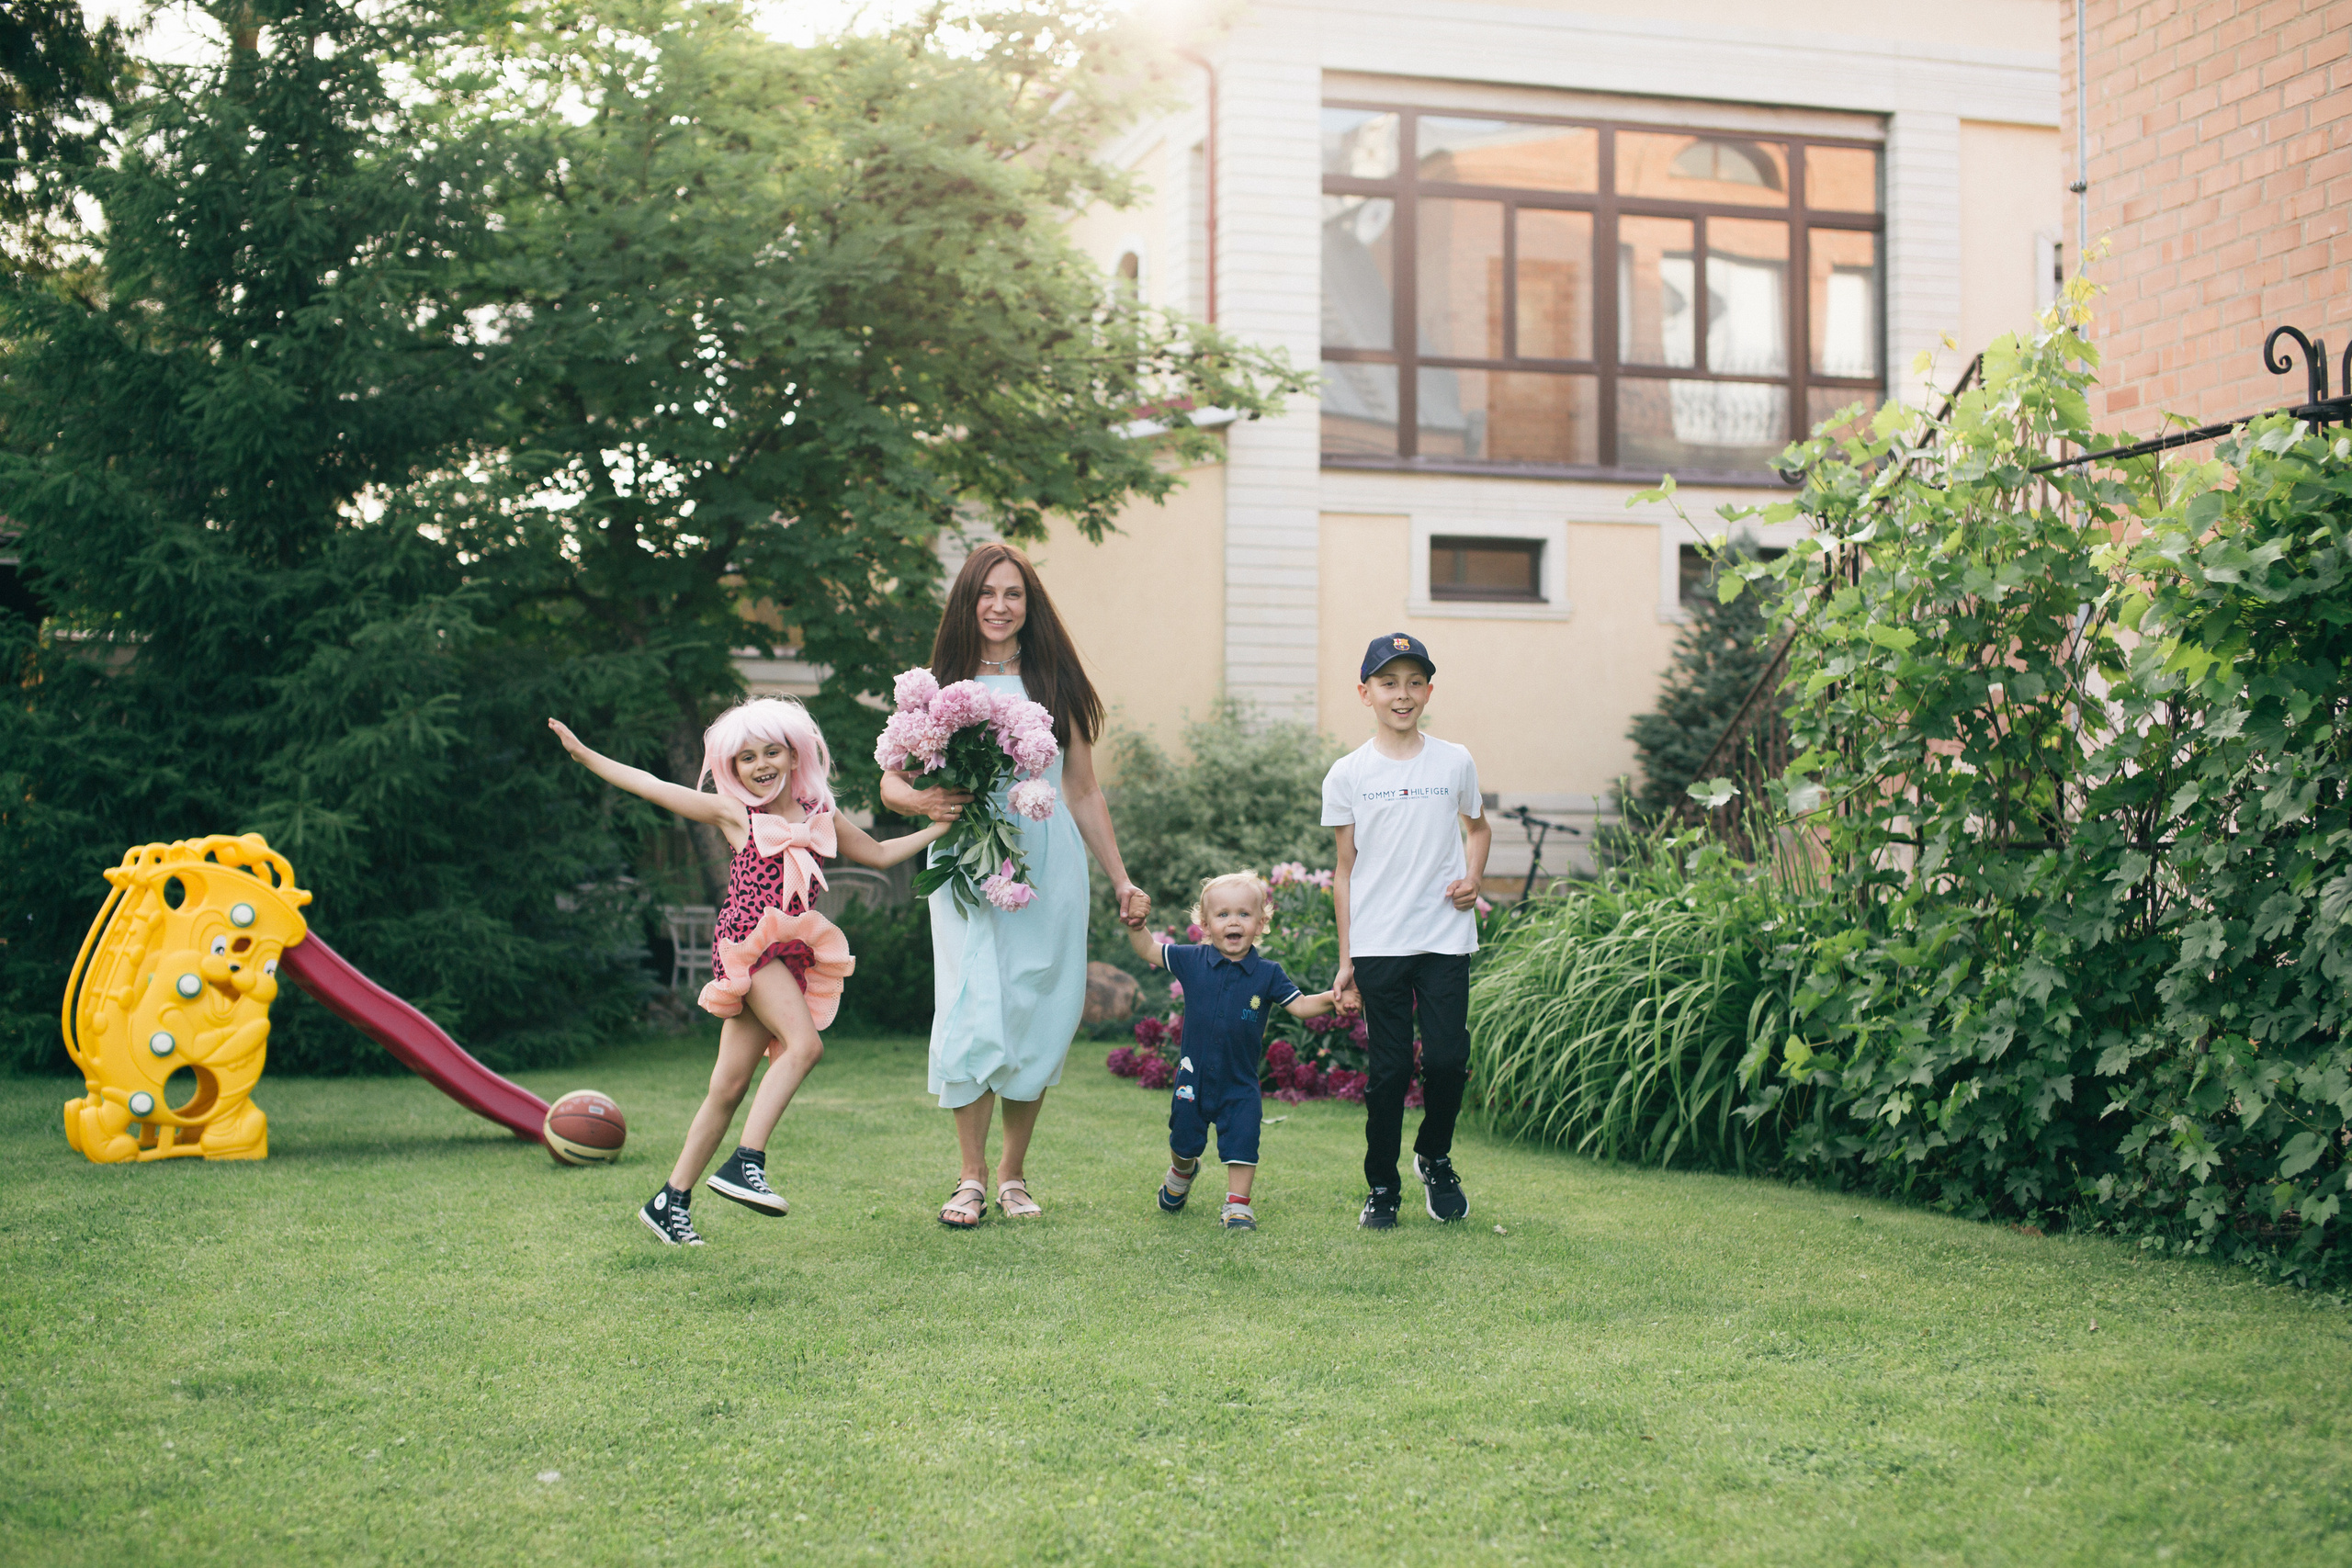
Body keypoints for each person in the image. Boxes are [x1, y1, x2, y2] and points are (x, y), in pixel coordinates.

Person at [549, 700, 948, 1246]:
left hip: (788, 955)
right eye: (745, 757)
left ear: (793, 753)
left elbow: (878, 853)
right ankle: (745, 1161)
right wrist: (586, 755)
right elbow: (651, 785)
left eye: (770, 752)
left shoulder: (818, 813)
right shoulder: (737, 815)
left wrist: (938, 827)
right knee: (805, 1047)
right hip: (749, 946)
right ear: (730, 768)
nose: (760, 764)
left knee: (728, 1086)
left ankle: (670, 1201)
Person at [881, 542, 1150, 1228]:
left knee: (1036, 1006)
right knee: (973, 1004)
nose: (1000, 606)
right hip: (967, 863)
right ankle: (969, 1179)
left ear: (1030, 606)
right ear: (967, 602)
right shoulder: (940, 688)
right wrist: (922, 803)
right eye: (987, 593)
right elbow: (891, 781)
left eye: (1014, 594)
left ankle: (1013, 1174)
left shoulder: (1055, 683)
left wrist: (1120, 878)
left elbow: (1083, 789)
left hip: (1047, 862)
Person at [1323, 634, 1492, 1230]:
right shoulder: (1347, 774)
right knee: (1389, 1072)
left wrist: (1473, 877)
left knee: (1448, 1058)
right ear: (1365, 692)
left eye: (1414, 682)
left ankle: (1434, 1155)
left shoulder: (1455, 760)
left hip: (1445, 934)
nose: (1403, 694)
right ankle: (1383, 1185)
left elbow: (1478, 829)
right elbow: (1345, 871)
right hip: (1378, 942)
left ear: (1428, 691)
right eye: (1389, 682)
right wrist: (1346, 960)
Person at [1125, 872, 1345, 1230]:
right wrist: (1136, 924)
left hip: (1240, 1083)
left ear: (1260, 923)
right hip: (1191, 1078)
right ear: (1206, 925)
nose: (1234, 921)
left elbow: (1302, 1006)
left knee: (1243, 1141)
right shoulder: (1190, 960)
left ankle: (1238, 1205)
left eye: (1244, 914)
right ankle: (1182, 1173)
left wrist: (1336, 999)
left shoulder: (1269, 975)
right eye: (1223, 914)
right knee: (1183, 1139)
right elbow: (1148, 949)